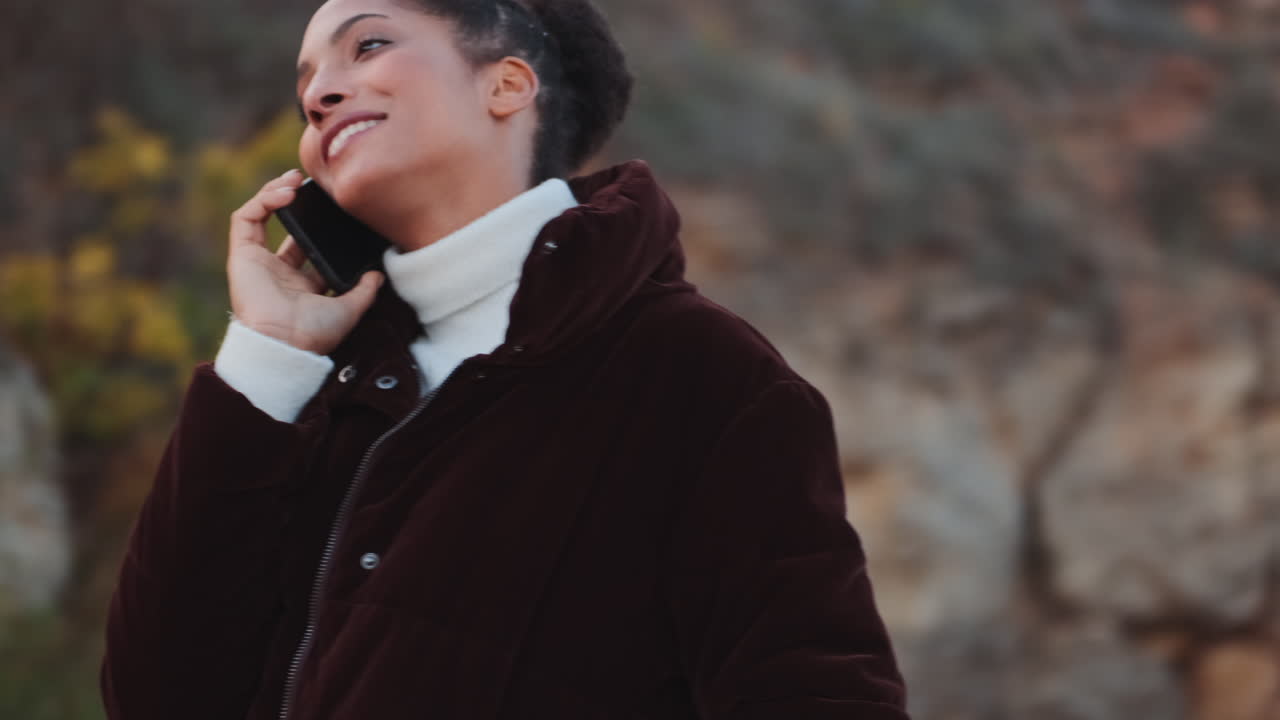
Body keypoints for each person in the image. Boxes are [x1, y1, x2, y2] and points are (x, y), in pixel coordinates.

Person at [99, 0, 910, 717]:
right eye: (306, 85)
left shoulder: (701, 375)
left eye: (367, 46)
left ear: (508, 85)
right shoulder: (314, 392)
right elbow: (156, 699)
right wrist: (265, 360)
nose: (318, 96)